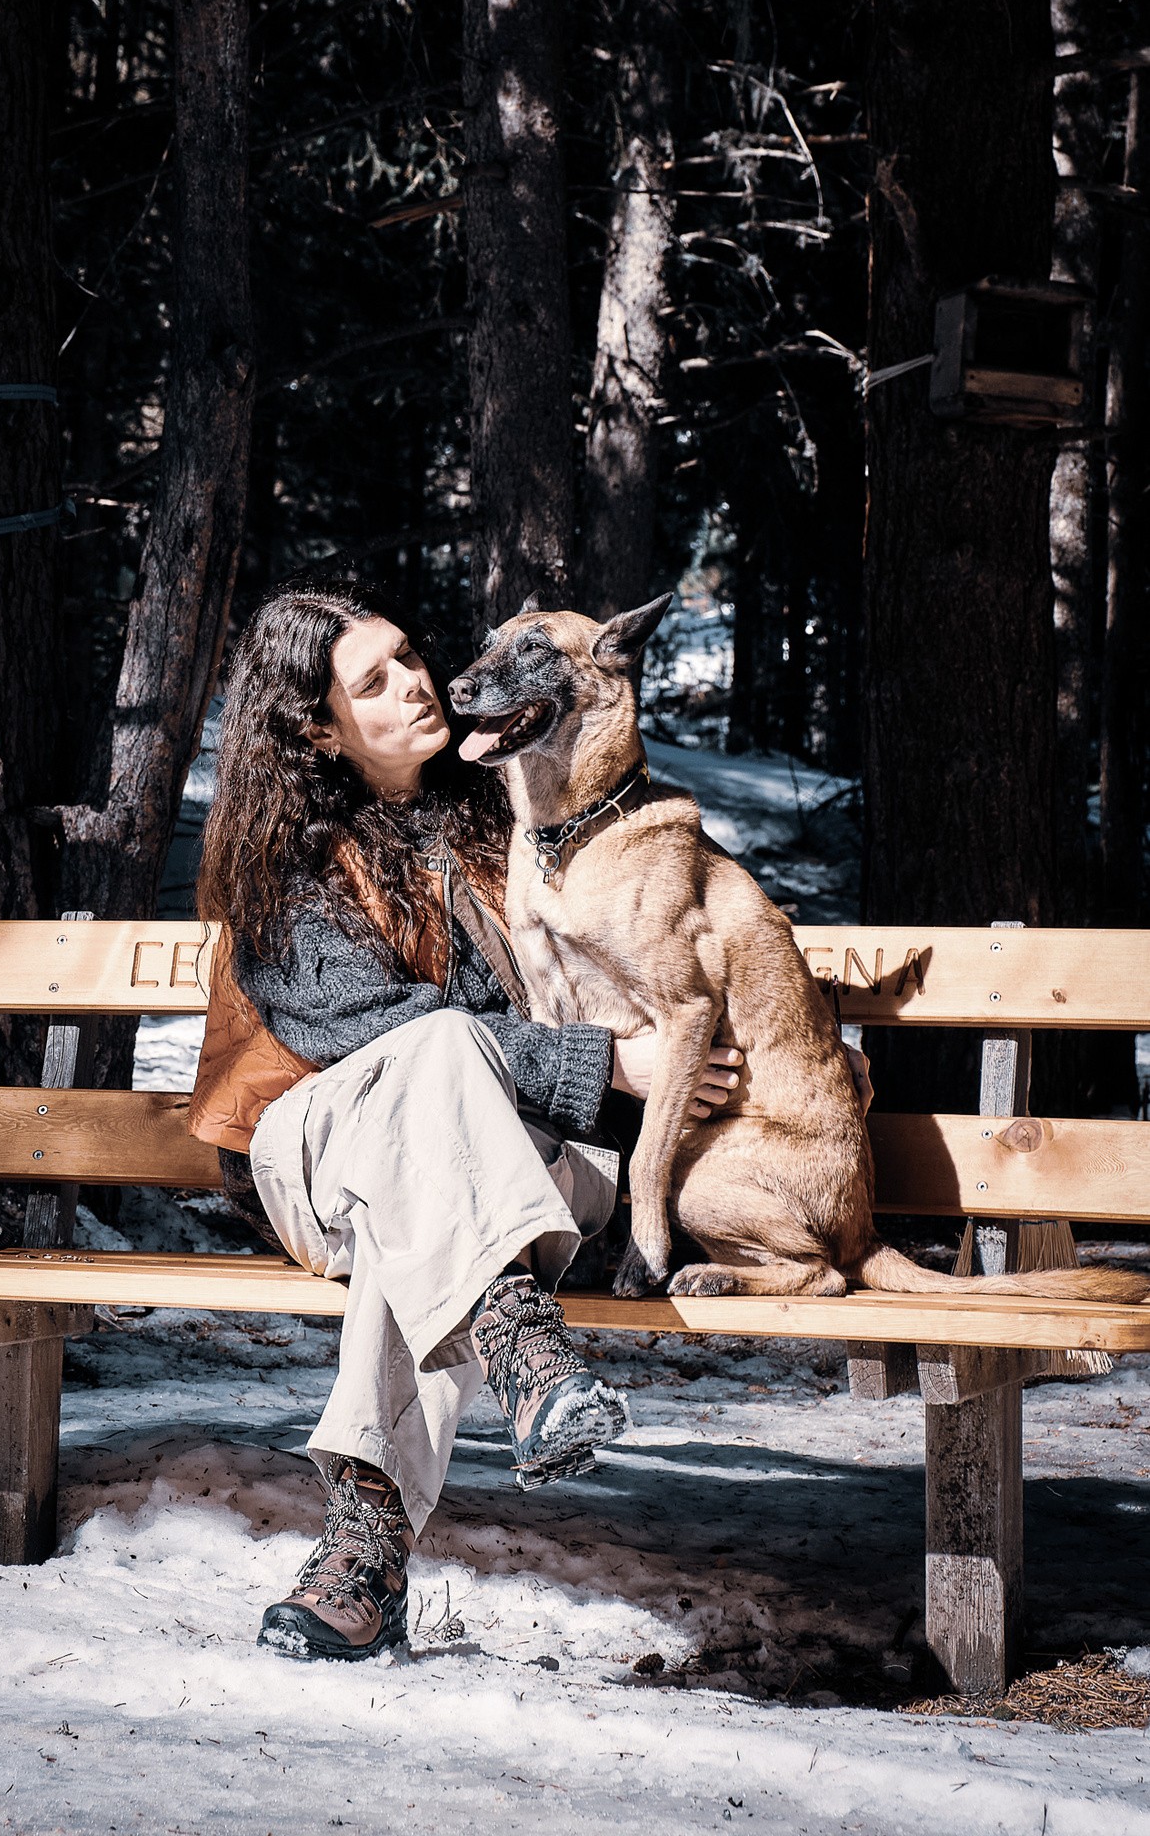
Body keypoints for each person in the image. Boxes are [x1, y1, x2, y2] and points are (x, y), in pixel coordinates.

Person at [192, 581, 824, 1665]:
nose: (417, 684)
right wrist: (604, 1064)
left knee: (430, 1199)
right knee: (427, 1068)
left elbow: (664, 945)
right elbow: (373, 1037)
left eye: (408, 657)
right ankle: (523, 1350)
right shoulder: (280, 865)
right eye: (374, 681)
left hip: (513, 1172)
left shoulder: (516, 803)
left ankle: (363, 1550)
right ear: (315, 728)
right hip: (319, 1159)